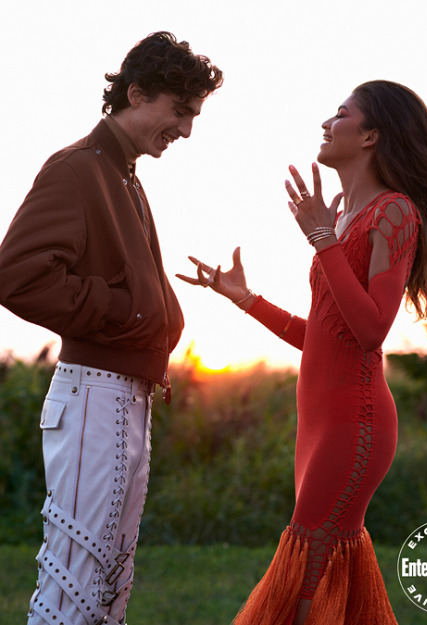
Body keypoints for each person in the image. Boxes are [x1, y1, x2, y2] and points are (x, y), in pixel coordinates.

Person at [177, 80, 427, 624]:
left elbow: (372, 330)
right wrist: (246, 299)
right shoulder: (348, 220)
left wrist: (323, 240)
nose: (326, 124)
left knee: (305, 579)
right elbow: (325, 338)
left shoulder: (394, 212)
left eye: (341, 114)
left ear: (372, 134)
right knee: (321, 571)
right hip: (318, 425)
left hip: (354, 422)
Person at [0, 31, 222, 625]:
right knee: (74, 577)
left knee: (108, 582)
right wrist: (130, 313)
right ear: (135, 92)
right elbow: (18, 276)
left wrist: (153, 314)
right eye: (180, 112)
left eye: (194, 116)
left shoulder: (124, 174)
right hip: (92, 394)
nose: (187, 131)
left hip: (124, 397)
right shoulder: (78, 168)